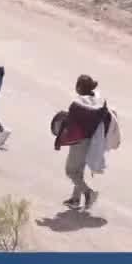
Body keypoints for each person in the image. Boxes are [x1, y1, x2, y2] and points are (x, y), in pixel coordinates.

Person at [53, 74, 111, 210]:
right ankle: (75, 199)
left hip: (79, 142)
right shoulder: (100, 101)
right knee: (79, 171)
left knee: (71, 171)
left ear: (79, 87)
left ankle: (89, 193)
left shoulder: (77, 105)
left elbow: (69, 124)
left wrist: (60, 139)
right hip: (94, 141)